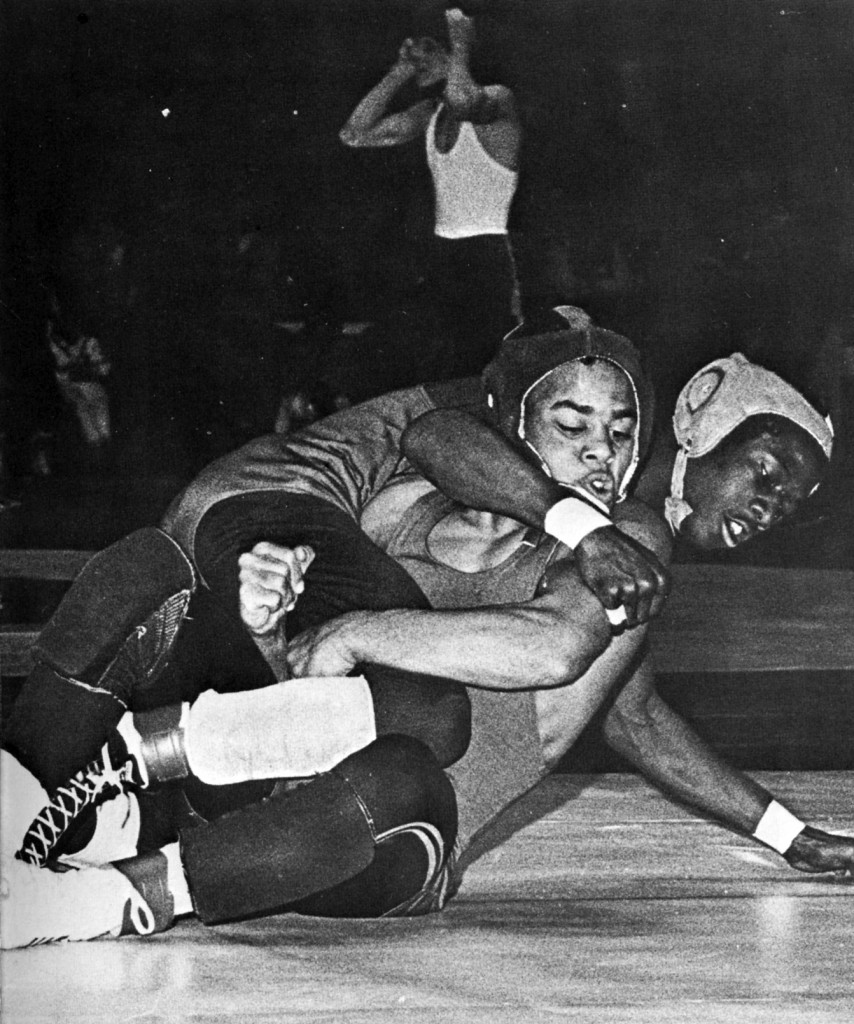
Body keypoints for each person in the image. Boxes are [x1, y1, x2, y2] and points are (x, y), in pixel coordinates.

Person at [3, 311, 851, 948]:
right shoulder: (400, 505)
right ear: (510, 425)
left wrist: (786, 831)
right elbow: (305, 678)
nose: (602, 452)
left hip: (380, 836)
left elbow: (579, 667)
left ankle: (105, 894)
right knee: (147, 571)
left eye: (620, 435)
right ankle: (31, 796)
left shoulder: (625, 544)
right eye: (573, 428)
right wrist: (266, 617)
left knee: (414, 750)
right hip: (262, 793)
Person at [340, 4, 521, 376]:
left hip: (491, 256)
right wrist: (399, 71)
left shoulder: (499, 99)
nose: (415, 56)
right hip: (444, 255)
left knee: (485, 371)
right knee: (436, 370)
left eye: (426, 47)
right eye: (410, 49)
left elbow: (465, 101)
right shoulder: (429, 112)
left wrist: (461, 42)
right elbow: (354, 134)